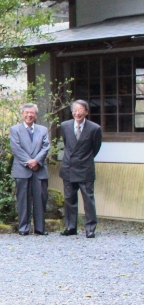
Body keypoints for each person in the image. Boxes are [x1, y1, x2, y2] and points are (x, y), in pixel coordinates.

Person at [59, 100, 102, 238]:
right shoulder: (65, 126)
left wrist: (85, 159)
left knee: (88, 199)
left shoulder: (94, 128)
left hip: (85, 167)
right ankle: (71, 226)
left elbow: (95, 148)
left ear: (86, 112)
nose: (77, 112)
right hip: (68, 166)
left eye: (81, 109)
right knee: (69, 199)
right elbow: (68, 144)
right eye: (75, 110)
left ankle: (90, 228)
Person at [9, 103, 50, 236]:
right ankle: (23, 228)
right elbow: (16, 148)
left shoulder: (43, 130)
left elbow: (45, 147)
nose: (29, 115)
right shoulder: (15, 129)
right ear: (22, 114)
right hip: (22, 169)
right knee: (23, 199)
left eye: (32, 113)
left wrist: (37, 161)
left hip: (39, 169)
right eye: (26, 112)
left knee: (40, 198)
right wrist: (29, 162)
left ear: (36, 115)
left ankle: (40, 228)